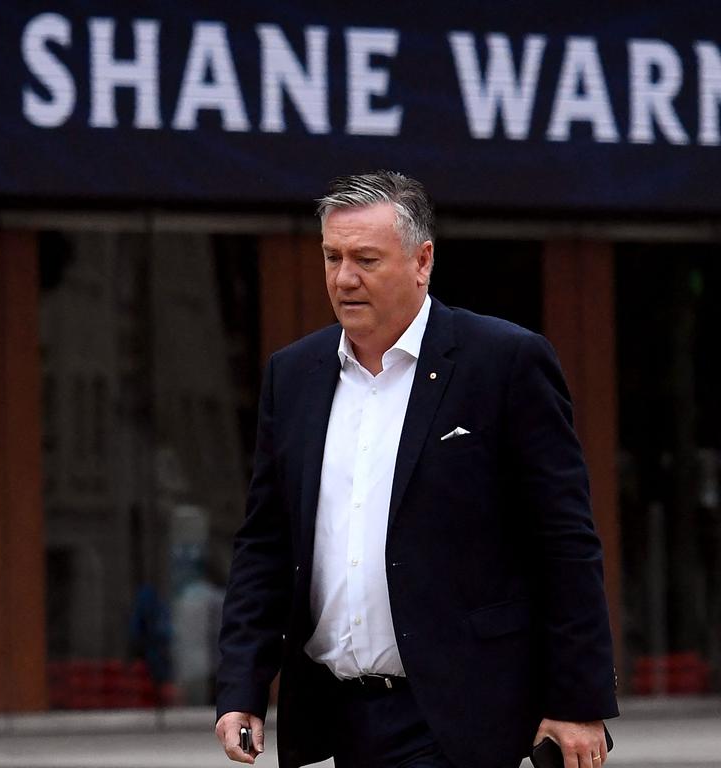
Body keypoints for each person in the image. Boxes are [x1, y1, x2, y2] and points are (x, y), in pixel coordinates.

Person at [214, 171, 618, 768]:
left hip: (462, 717)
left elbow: (563, 542)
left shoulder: (503, 363)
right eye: (332, 257)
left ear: (422, 260)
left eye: (366, 259)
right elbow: (266, 545)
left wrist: (578, 700)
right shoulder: (294, 375)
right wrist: (241, 688)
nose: (343, 277)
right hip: (337, 717)